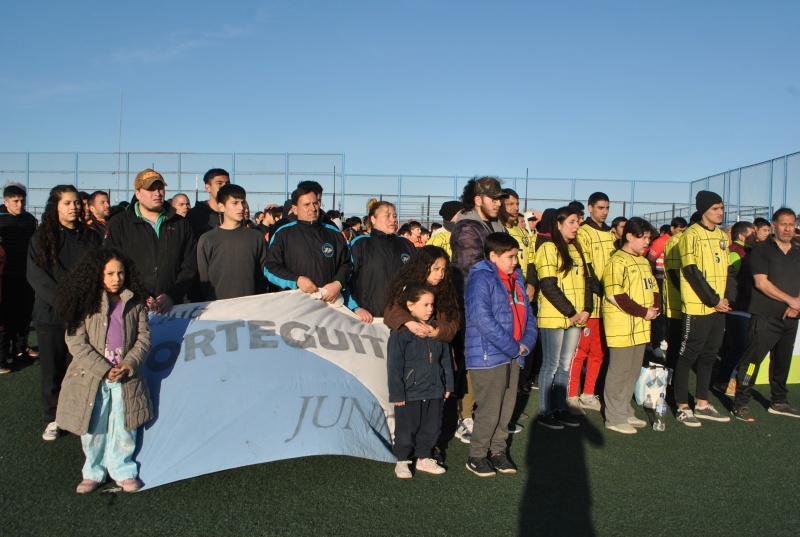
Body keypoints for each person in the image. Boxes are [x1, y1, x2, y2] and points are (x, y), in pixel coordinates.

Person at [53, 248, 152, 493]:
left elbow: (144, 339)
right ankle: (93, 470)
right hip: (92, 376)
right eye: (109, 273)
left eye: (120, 272)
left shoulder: (135, 302)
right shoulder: (85, 304)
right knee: (94, 424)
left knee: (125, 423)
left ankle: (123, 469)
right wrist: (102, 369)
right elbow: (76, 342)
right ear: (97, 274)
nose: (116, 278)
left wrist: (129, 364)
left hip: (126, 376)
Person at [27, 185, 102, 441]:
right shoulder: (42, 238)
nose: (73, 207)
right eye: (67, 203)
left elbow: (96, 272)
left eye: (76, 203)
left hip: (84, 315)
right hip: (52, 316)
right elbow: (37, 276)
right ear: (55, 206)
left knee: (79, 369)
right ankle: (53, 418)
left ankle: (77, 415)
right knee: (53, 370)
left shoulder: (90, 237)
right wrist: (66, 302)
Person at [464, 233, 537, 477]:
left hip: (513, 354)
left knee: (506, 407)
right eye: (511, 256)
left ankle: (498, 451)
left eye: (516, 256)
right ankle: (477, 455)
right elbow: (481, 318)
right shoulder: (480, 278)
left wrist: (525, 343)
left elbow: (528, 315)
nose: (515, 261)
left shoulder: (516, 278)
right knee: (489, 409)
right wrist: (513, 346)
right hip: (489, 356)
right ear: (493, 256)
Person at [450, 177, 508, 443]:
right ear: (478, 199)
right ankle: (465, 417)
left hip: (495, 304)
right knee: (472, 361)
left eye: (500, 198)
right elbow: (472, 270)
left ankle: (486, 415)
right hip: (472, 305)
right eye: (493, 198)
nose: (499, 202)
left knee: (490, 360)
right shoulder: (467, 227)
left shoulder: (495, 224)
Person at [673, 190, 736, 426]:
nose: (721, 212)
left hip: (719, 307)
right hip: (699, 306)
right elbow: (691, 271)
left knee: (709, 355)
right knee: (688, 355)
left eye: (721, 208)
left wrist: (728, 297)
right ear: (703, 211)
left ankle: (702, 403)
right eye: (715, 209)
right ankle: (682, 406)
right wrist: (713, 299)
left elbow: (729, 270)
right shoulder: (691, 235)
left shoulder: (722, 235)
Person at [732, 208, 800, 422]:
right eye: (783, 224)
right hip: (765, 317)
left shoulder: (798, 251)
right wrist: (791, 300)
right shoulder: (761, 250)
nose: (788, 228)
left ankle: (779, 401)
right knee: (752, 361)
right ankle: (740, 402)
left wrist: (797, 304)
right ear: (774, 225)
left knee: (782, 362)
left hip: (791, 318)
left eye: (791, 224)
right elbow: (762, 283)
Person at [105, 169, 197, 314]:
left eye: (160, 188)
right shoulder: (120, 223)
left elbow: (190, 264)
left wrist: (172, 295)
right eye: (150, 189)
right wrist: (140, 293)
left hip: (172, 308)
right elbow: (113, 262)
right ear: (137, 193)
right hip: (131, 306)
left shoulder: (180, 224)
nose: (157, 193)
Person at [387, 283, 454, 478]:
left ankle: (425, 456)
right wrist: (397, 392)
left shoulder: (436, 331)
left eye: (432, 305)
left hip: (435, 390)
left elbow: (445, 361)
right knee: (406, 428)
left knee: (431, 426)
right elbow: (394, 365)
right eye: (425, 305)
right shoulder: (401, 333)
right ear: (410, 305)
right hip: (410, 391)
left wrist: (448, 384)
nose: (430, 309)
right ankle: (402, 460)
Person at [601, 218, 660, 434]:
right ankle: (613, 417)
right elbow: (614, 294)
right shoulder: (617, 261)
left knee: (633, 371)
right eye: (643, 237)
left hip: (641, 326)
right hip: (622, 326)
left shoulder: (643, 261)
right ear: (629, 237)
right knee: (619, 371)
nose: (647, 242)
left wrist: (655, 307)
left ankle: (625, 410)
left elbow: (653, 287)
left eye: (648, 238)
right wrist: (644, 312)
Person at [535, 206, 592, 429]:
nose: (576, 226)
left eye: (578, 222)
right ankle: (544, 411)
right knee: (551, 364)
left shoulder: (577, 249)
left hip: (576, 318)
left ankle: (560, 408)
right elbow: (548, 285)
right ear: (558, 225)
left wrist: (587, 308)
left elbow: (588, 281)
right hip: (556, 317)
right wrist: (572, 312)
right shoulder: (548, 248)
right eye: (571, 222)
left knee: (565, 365)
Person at [264, 184, 352, 303]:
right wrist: (296, 280)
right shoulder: (283, 234)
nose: (313, 208)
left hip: (329, 304)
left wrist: (338, 283)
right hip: (294, 304)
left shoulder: (334, 233)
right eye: (306, 204)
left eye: (315, 203)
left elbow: (347, 263)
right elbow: (270, 267)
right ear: (295, 209)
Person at [570, 192, 615, 415]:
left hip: (608, 305)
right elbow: (588, 271)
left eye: (607, 207)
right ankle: (571, 395)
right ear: (590, 208)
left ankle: (588, 393)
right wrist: (606, 291)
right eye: (600, 207)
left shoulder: (611, 234)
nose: (604, 212)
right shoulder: (584, 232)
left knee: (598, 352)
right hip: (590, 304)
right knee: (580, 352)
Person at [346, 200, 416, 322]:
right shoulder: (360, 244)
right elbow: (345, 278)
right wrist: (355, 308)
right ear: (373, 219)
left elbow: (417, 280)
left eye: (394, 216)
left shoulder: (406, 245)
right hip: (369, 318)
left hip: (401, 318)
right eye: (387, 216)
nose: (393, 220)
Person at [197, 184, 267, 301]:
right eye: (235, 203)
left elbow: (262, 275)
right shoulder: (207, 239)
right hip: (217, 310)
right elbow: (203, 279)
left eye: (243, 202)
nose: (241, 207)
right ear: (221, 207)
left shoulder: (256, 237)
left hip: (251, 307)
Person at [712, 220, 755, 396]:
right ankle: (724, 381)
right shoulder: (737, 253)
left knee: (736, 346)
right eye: (752, 233)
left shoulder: (746, 252)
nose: (757, 235)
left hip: (742, 307)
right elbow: (730, 279)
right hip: (737, 307)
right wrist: (729, 299)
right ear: (742, 236)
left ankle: (727, 379)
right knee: (737, 346)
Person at [0, 183, 38, 370]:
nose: (20, 204)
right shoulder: (1, 220)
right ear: (6, 202)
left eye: (22, 201)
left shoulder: (29, 220)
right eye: (15, 201)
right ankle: (3, 353)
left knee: (24, 316)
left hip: (26, 277)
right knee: (6, 317)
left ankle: (21, 350)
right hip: (5, 278)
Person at [501, 189, 535, 302]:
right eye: (510, 204)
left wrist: (530, 284)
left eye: (517, 204)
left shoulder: (523, 232)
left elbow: (531, 261)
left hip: (524, 288)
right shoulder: (496, 231)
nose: (516, 208)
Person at [186, 168, 230, 238]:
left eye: (227, 183)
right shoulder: (195, 215)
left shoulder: (232, 213)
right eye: (219, 183)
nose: (224, 187)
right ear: (208, 187)